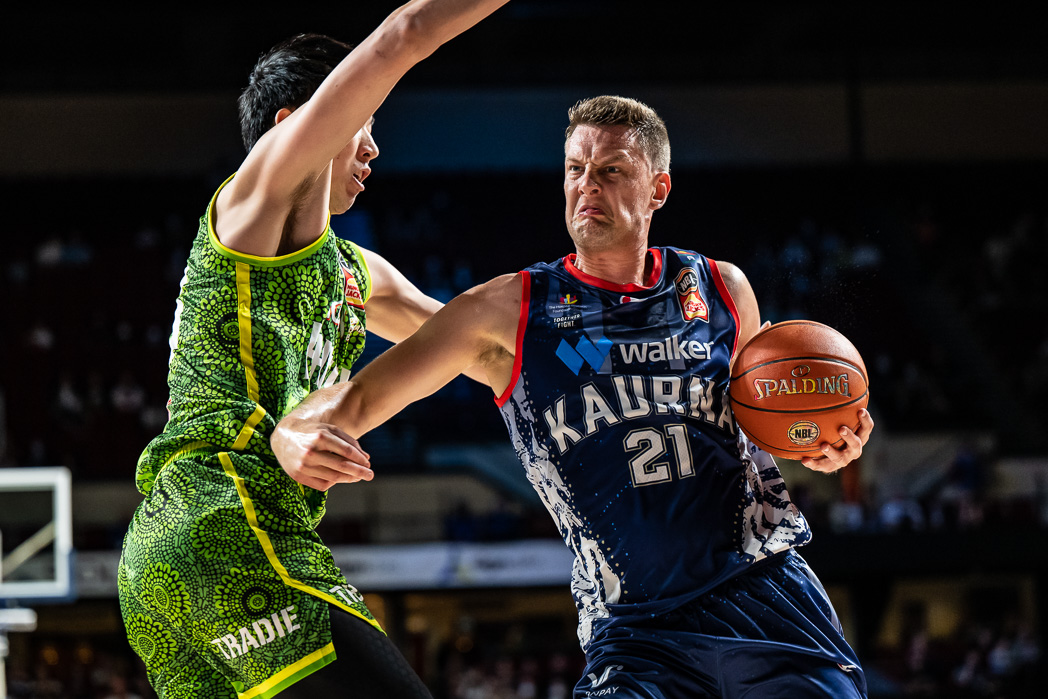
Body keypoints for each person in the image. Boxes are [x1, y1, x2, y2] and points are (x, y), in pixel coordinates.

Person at [272, 95, 876, 697]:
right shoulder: (509, 310)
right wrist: (288, 432)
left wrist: (823, 444)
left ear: (657, 190)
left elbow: (766, 423)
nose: (588, 185)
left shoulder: (719, 287)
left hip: (765, 593)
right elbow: (352, 403)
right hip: (636, 629)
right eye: (576, 169)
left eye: (612, 170)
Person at [116, 2, 509, 698]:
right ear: (296, 125)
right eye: (364, 123)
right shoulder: (251, 209)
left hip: (166, 567)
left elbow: (481, 351)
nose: (374, 149)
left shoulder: (360, 274)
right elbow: (402, 37)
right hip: (223, 519)